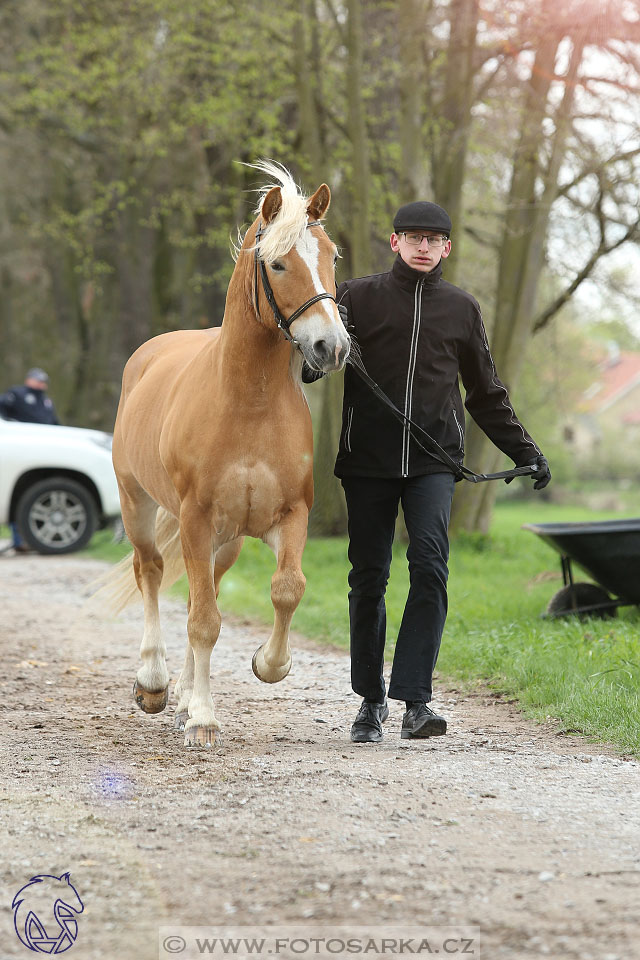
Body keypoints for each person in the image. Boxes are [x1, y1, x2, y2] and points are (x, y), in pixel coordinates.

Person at [332, 201, 550, 743]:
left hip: (434, 461)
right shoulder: (356, 297)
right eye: (414, 237)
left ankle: (416, 701)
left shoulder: (461, 309)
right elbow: (318, 365)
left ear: (447, 248)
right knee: (369, 578)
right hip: (367, 462)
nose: (424, 247)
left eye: (434, 239)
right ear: (395, 242)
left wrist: (525, 450)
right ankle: (369, 701)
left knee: (430, 567)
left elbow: (485, 393)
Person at [0, 368, 59, 553]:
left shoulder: (46, 401)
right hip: (21, 451)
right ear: (29, 380)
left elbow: (55, 423)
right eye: (38, 380)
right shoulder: (17, 394)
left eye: (44, 381)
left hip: (43, 453)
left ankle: (32, 540)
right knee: (18, 494)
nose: (42, 384)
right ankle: (19, 540)